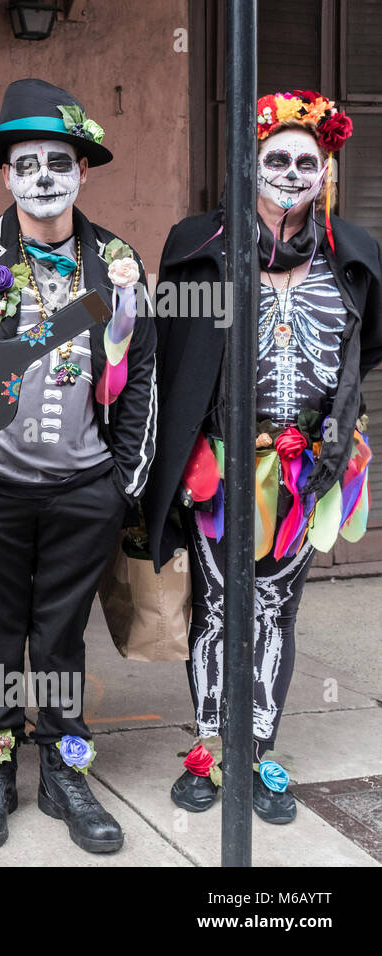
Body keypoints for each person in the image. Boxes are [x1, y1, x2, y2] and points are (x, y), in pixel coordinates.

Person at [144, 91, 380, 825]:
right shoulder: (198, 244)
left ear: (324, 170)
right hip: (220, 463)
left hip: (308, 460)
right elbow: (172, 349)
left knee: (277, 608)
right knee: (218, 607)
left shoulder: (354, 255)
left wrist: (335, 429)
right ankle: (211, 746)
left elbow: (365, 347)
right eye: (275, 158)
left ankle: (260, 746)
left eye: (305, 161)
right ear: (250, 166)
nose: (289, 172)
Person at [0, 78, 157, 854]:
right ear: (6, 175)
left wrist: (118, 481)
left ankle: (65, 769)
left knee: (60, 637)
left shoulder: (118, 265)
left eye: (58, 162)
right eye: (27, 163)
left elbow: (143, 383)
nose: (43, 177)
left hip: (81, 489)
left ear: (82, 171)